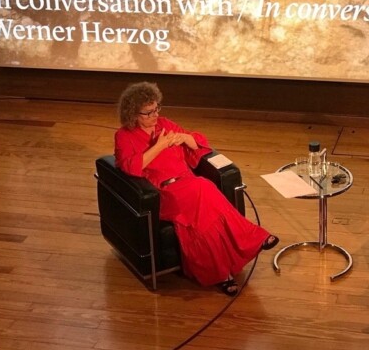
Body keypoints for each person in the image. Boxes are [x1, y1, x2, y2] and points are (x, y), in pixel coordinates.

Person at [114, 81, 279, 296]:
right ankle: (253, 236)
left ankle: (222, 275)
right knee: (203, 186)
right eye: (148, 112)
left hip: (187, 184)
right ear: (133, 114)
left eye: (157, 109)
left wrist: (185, 138)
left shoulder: (165, 123)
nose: (155, 115)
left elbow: (198, 143)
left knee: (203, 220)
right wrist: (160, 146)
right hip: (165, 194)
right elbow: (131, 167)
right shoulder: (124, 136)